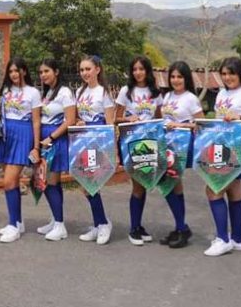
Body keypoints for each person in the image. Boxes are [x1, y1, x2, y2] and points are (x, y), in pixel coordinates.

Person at [204, 57, 241, 257]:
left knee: (213, 188)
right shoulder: (221, 93)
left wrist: (240, 118)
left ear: (240, 73)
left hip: (238, 142)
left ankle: (222, 239)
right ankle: (237, 239)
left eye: (231, 73)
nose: (227, 77)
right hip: (221, 143)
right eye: (224, 74)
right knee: (234, 190)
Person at [115, 56, 163, 246]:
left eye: (141, 69)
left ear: (147, 71)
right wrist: (128, 119)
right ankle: (134, 228)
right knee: (137, 185)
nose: (137, 72)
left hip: (150, 142)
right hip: (131, 142)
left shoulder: (155, 92)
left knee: (143, 184)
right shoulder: (126, 91)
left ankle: (139, 225)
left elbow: (159, 119)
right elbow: (116, 119)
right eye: (134, 69)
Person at [0, 58, 41, 243]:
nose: (14, 74)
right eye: (11, 71)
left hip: (22, 134)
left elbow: (36, 121)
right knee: (10, 182)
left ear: (24, 71)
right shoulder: (5, 91)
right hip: (5, 135)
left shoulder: (33, 92)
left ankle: (14, 226)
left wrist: (36, 146)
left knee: (8, 181)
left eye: (17, 70)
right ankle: (16, 221)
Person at [159, 61, 203, 249]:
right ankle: (181, 227)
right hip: (166, 144)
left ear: (186, 78)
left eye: (179, 76)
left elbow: (201, 124)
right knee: (171, 185)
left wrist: (178, 126)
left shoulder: (191, 98)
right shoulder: (166, 95)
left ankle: (181, 228)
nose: (175, 80)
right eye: (173, 76)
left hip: (181, 146)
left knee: (171, 182)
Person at [74, 56, 114, 245]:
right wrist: (79, 122)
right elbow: (76, 118)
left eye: (88, 69)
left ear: (98, 69)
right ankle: (98, 223)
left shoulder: (103, 93)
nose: (84, 73)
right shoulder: (79, 92)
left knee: (92, 184)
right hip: (82, 142)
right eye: (82, 70)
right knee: (85, 186)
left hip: (97, 143)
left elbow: (110, 124)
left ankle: (104, 224)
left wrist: (108, 149)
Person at [36, 59, 77, 242]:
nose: (43, 75)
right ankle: (55, 219)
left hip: (56, 141)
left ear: (56, 71)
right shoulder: (48, 92)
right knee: (49, 182)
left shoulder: (65, 92)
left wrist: (51, 137)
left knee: (49, 182)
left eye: (46, 71)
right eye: (41, 72)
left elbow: (70, 120)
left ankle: (60, 225)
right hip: (45, 141)